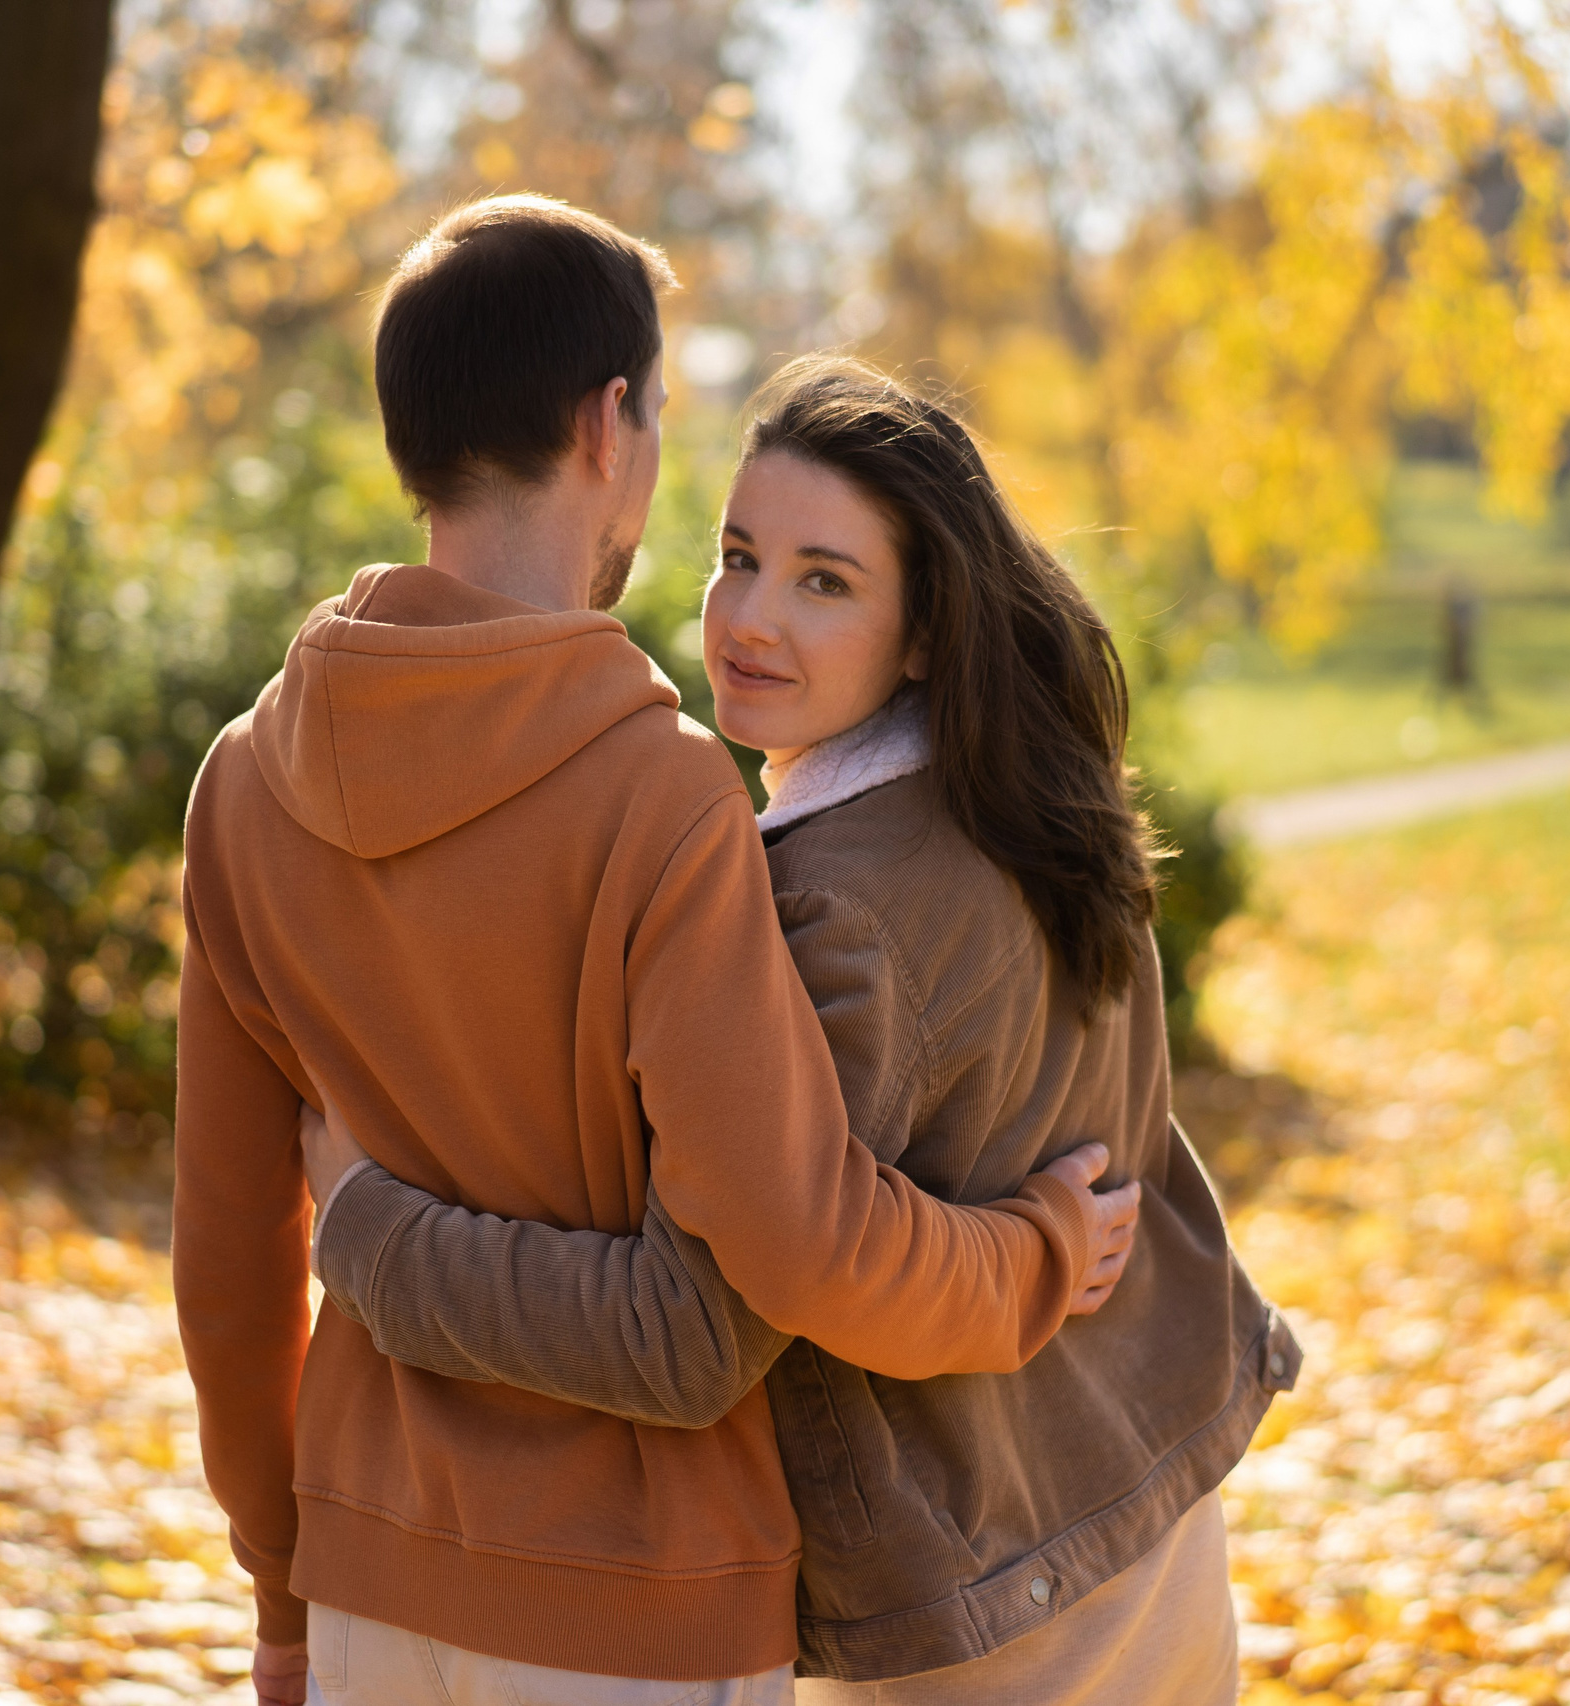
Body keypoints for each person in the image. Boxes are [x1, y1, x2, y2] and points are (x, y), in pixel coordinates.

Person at [173, 197, 1139, 1706]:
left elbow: (231, 1254)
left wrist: (281, 1585)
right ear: (609, 424)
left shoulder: (240, 781)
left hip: (367, 1573)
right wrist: (1030, 1258)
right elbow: (792, 1244)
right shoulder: (662, 791)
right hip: (639, 1606)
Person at [302, 357, 1302, 1704]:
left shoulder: (828, 905)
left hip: (995, 1630)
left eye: (824, 579)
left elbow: (686, 1330)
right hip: (1157, 1530)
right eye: (738, 556)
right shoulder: (1035, 799)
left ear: (925, 628)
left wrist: (368, 1227)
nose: (750, 617)